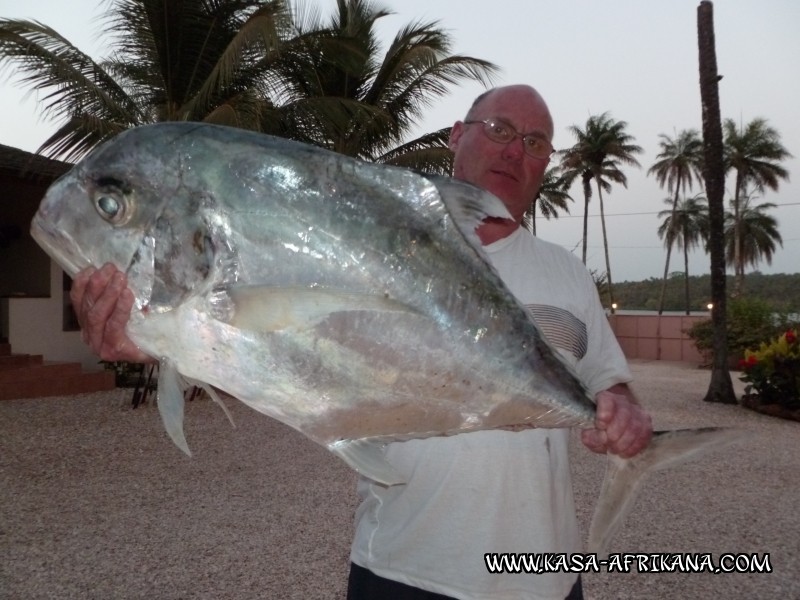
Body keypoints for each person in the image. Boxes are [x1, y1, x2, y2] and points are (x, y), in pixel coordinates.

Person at [71, 84, 652, 600]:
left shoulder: (567, 273)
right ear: (456, 135)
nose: (513, 149)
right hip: (405, 572)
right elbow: (280, 344)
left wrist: (622, 408)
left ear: (546, 162)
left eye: (534, 142)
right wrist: (162, 337)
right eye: (499, 129)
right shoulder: (366, 244)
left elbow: (607, 380)